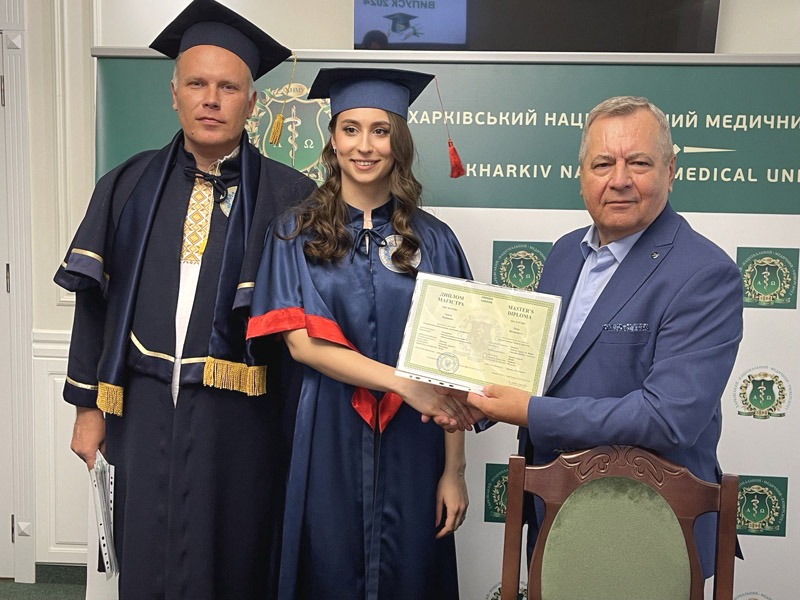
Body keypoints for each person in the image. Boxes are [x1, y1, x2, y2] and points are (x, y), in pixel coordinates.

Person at [54, 1, 316, 598]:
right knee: (147, 554)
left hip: (245, 416)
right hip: (140, 405)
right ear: (174, 94)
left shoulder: (292, 196)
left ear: (252, 102)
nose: (211, 99)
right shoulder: (126, 185)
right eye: (197, 84)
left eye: (229, 87)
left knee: (235, 554)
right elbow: (93, 308)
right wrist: (87, 409)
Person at [463, 95, 743, 577]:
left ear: (671, 170)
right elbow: (546, 373)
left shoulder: (704, 273)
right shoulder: (563, 254)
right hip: (554, 514)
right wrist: (477, 399)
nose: (619, 179)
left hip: (649, 526)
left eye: (639, 163)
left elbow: (668, 417)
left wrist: (529, 412)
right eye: (602, 163)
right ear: (581, 176)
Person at [246, 68, 473, 600]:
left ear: (399, 142)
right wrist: (404, 384)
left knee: (411, 569)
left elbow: (453, 366)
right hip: (324, 429)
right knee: (325, 564)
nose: (364, 146)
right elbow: (302, 343)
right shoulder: (294, 233)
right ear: (332, 139)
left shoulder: (436, 241)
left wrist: (454, 470)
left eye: (380, 130)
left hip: (415, 438)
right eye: (350, 129)